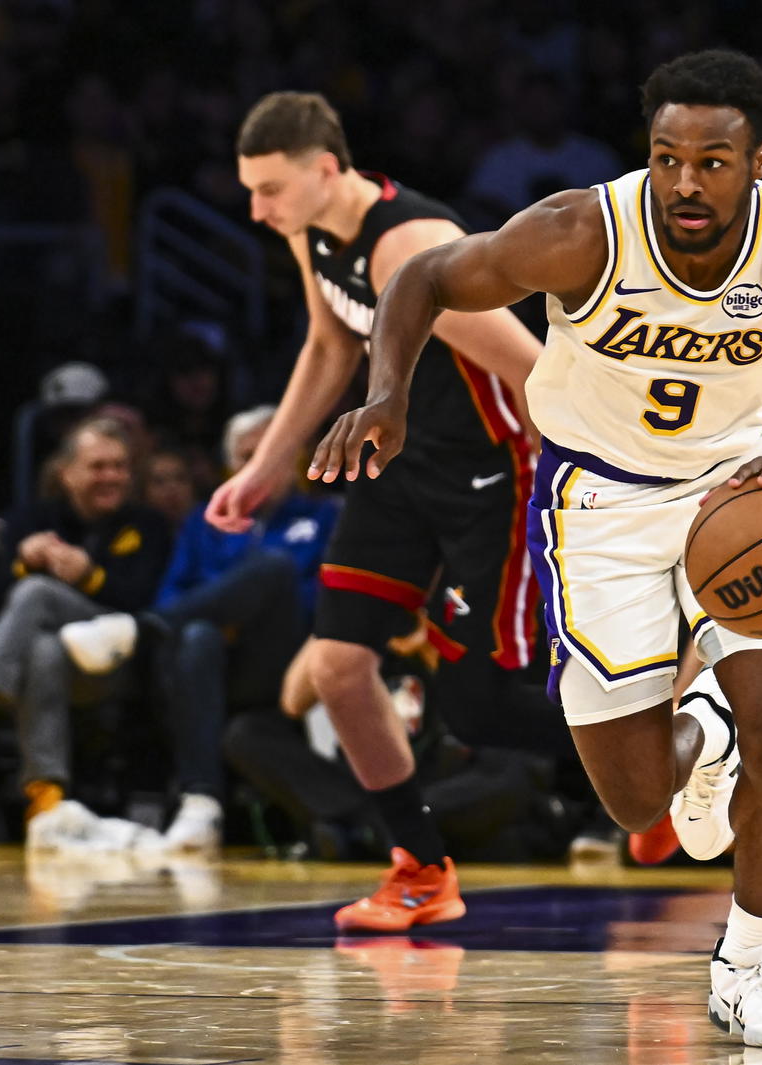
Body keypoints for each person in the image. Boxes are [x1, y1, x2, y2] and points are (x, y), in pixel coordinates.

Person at [311, 49, 762, 1050]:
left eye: (712, 161)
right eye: (667, 157)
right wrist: (386, 393)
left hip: (743, 491)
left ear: (758, 159)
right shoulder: (583, 229)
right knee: (636, 805)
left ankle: (748, 966)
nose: (684, 182)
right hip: (598, 504)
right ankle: (701, 736)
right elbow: (423, 276)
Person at [207, 92, 545, 931]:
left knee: (478, 705)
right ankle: (421, 868)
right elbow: (331, 344)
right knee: (337, 666)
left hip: (492, 473)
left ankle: (676, 751)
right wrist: (265, 467)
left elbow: (534, 370)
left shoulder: (415, 247)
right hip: (398, 463)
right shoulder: (311, 230)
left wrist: (579, 492)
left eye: (271, 189)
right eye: (250, 190)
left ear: (326, 169)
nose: (257, 209)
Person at [61, 405, 341, 851]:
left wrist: (234, 608)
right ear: (232, 468)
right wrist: (217, 613)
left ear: (296, 458)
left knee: (275, 570)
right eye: (248, 456)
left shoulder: (327, 516)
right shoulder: (206, 522)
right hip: (203, 666)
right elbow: (172, 595)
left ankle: (138, 630)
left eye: (273, 451)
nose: (261, 465)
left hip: (284, 663)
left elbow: (325, 602)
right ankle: (201, 805)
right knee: (198, 636)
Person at [0, 417, 172, 842]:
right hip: (53, 665)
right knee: (43, 649)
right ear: (66, 473)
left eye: (120, 467)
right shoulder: (31, 519)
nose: (112, 477)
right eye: (98, 466)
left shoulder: (148, 525)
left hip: (122, 665)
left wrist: (91, 576)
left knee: (38, 592)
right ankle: (46, 798)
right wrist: (21, 562)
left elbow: (152, 602)